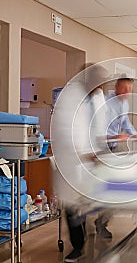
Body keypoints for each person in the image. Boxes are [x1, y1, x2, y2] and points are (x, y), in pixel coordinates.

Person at [51, 63, 109, 262]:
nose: (100, 87)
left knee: (84, 203)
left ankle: (85, 238)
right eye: (98, 83)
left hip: (91, 163)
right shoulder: (70, 96)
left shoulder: (96, 97)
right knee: (72, 207)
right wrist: (85, 153)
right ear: (89, 79)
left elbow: (100, 125)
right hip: (72, 161)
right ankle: (78, 247)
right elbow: (66, 130)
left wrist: (103, 146)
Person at [94, 76, 137, 239]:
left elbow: (125, 121)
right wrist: (116, 136)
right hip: (102, 149)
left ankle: (102, 221)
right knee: (110, 189)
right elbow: (100, 129)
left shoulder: (124, 102)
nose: (127, 92)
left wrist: (134, 133)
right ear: (117, 87)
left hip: (114, 148)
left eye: (130, 89)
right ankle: (100, 223)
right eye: (124, 89)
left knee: (120, 184)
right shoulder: (105, 103)